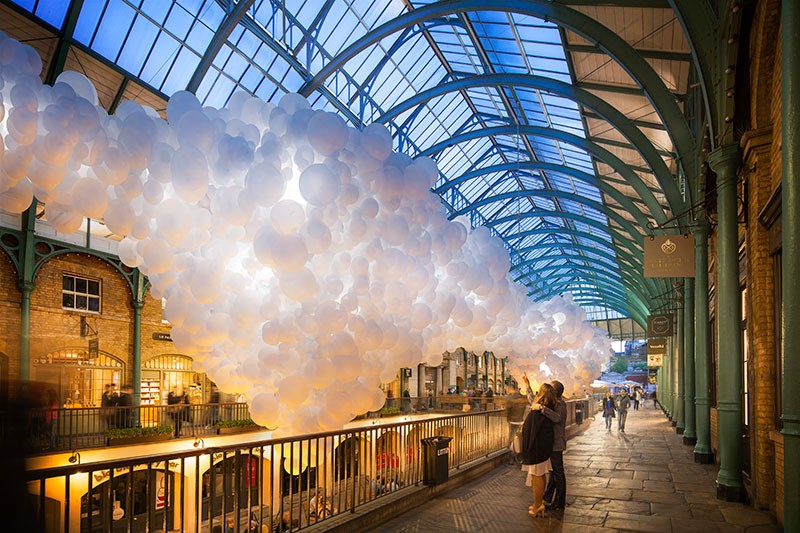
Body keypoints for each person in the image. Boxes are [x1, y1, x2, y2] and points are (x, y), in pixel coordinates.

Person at [520, 382, 556, 518]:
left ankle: (537, 505)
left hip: (536, 449)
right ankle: (539, 502)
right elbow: (530, 397)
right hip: (543, 448)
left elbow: (533, 431)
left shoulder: (540, 410)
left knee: (537, 477)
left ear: (542, 394)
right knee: (540, 475)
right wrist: (527, 383)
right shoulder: (547, 408)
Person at [540, 380, 567, 511]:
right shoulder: (555, 403)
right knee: (554, 472)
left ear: (555, 391)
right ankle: (547, 497)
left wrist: (543, 409)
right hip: (553, 442)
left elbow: (557, 418)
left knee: (558, 473)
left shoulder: (560, 404)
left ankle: (559, 501)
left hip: (557, 443)